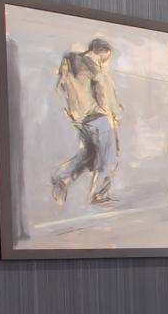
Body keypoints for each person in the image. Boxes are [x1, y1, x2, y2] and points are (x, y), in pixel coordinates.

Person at [50, 38, 122, 206]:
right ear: (100, 52)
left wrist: (71, 111)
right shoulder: (94, 68)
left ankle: (61, 177)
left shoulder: (69, 62)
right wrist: (116, 114)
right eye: (106, 57)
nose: (106, 61)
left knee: (87, 154)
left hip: (80, 120)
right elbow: (105, 95)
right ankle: (98, 194)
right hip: (99, 118)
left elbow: (60, 88)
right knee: (109, 158)